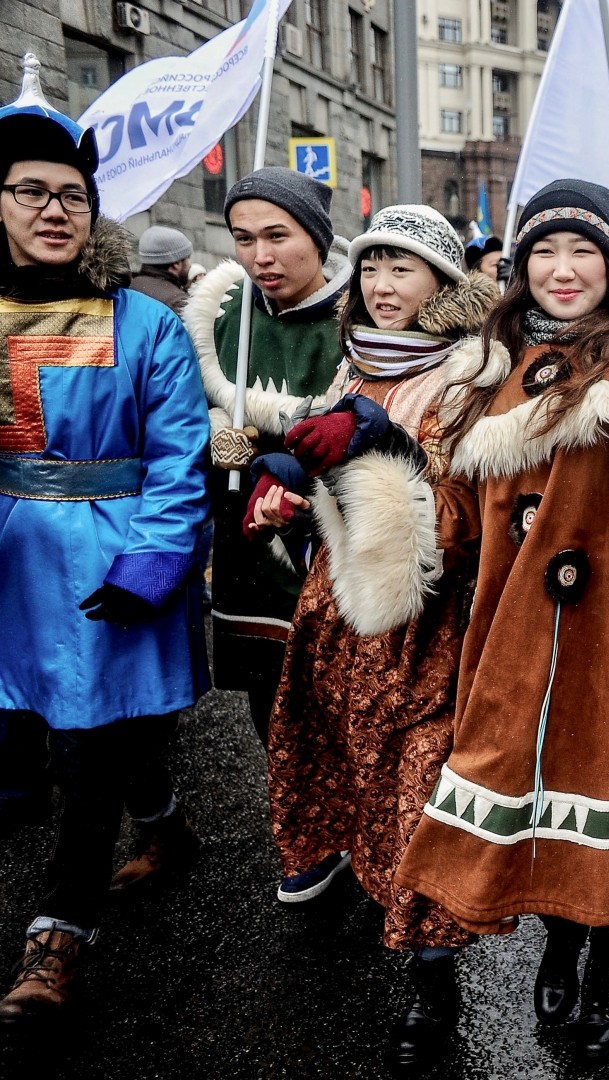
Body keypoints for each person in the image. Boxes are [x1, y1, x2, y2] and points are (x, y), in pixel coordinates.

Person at [390, 179, 609, 1064]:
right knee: (546, 786)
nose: (562, 269)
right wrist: (367, 473)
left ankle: (605, 971)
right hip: (515, 626)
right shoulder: (481, 372)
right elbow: (458, 515)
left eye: (583, 250)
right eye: (544, 251)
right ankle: (561, 940)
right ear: (517, 267)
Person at [244, 205, 498, 1070]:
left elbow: (469, 513)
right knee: (350, 764)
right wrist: (284, 479)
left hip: (423, 624)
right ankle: (360, 880)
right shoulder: (354, 364)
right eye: (374, 270)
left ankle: (434, 987)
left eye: (405, 271)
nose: (384, 289)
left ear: (442, 285)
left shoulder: (474, 373)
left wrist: (396, 454)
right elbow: (325, 472)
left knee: (418, 789)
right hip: (335, 607)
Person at [0, 55, 210, 1023]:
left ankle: (58, 935)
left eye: (71, 195)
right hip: (11, 567)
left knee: (89, 754)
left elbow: (178, 462)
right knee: (51, 749)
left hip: (106, 563)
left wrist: (154, 565)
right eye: (32, 191)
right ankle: (165, 820)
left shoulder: (149, 327)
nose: (54, 209)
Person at [184, 167, 352, 758]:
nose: (261, 255)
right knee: (269, 706)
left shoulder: (359, 321)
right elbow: (183, 414)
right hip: (245, 541)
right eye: (244, 237)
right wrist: (214, 436)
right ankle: (301, 840)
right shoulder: (224, 316)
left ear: (317, 238)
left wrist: (274, 458)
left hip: (328, 543)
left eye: (278, 235)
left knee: (345, 701)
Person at [130, 225, 193, 314]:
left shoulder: (128, 287)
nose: (190, 264)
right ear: (176, 264)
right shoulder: (178, 303)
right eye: (188, 257)